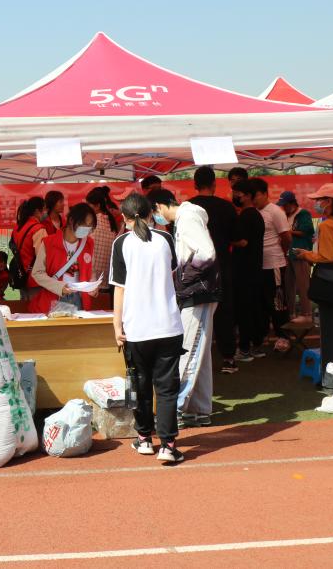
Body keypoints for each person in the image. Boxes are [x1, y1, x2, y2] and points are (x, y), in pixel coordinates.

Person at [110, 193, 185, 464]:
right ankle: (168, 445)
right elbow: (173, 273)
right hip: (167, 325)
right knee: (166, 389)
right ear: (151, 213)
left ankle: (143, 438)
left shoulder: (122, 243)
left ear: (124, 217)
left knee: (138, 386)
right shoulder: (165, 239)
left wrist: (116, 325)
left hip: (136, 329)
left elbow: (119, 288)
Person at [150, 189, 218, 427]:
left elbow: (207, 253)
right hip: (199, 292)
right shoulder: (186, 217)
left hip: (197, 293)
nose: (156, 219)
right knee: (199, 352)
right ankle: (198, 410)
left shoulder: (187, 217)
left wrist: (183, 278)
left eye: (154, 213)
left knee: (189, 351)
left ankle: (176, 409)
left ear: (159, 207)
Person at [293, 184, 333, 393]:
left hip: (331, 285)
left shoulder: (328, 225)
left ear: (329, 202)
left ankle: (329, 382)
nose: (317, 203)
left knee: (329, 335)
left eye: (319, 200)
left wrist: (306, 254)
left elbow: (327, 256)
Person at [187, 166, 238, 374]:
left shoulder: (188, 207)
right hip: (222, 265)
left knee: (196, 313)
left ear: (195, 185)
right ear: (214, 184)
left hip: (196, 268)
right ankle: (228, 358)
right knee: (224, 311)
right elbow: (237, 238)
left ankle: (196, 361)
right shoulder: (226, 207)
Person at [30, 203, 97, 314]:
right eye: (84, 224)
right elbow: (37, 273)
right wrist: (59, 287)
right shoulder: (49, 243)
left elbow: (92, 270)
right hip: (55, 297)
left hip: (80, 298)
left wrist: (93, 284)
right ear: (71, 221)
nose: (87, 229)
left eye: (90, 226)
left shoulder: (89, 243)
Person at [250, 178, 292, 352]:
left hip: (274, 263)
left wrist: (282, 254)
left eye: (256, 196)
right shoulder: (253, 212)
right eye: (251, 196)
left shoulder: (275, 211)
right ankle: (263, 335)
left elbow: (286, 237)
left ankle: (283, 336)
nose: (253, 200)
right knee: (262, 302)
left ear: (265, 194)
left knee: (278, 301)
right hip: (258, 265)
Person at [231, 180, 265, 368]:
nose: (236, 197)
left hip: (244, 269)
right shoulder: (256, 215)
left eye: (238, 193)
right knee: (254, 308)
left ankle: (244, 348)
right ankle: (256, 346)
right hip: (254, 268)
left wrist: (225, 238)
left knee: (244, 309)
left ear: (248, 196)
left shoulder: (246, 216)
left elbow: (243, 242)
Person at [278, 191, 315, 325]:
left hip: (301, 254)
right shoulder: (286, 216)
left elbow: (307, 231)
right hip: (289, 254)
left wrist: (288, 232)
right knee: (289, 285)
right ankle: (291, 313)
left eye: (286, 205)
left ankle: (307, 314)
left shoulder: (303, 214)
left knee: (303, 285)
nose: (284, 207)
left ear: (292, 203)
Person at [86, 185, 120, 300]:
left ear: (97, 206)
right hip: (107, 275)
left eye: (89, 205)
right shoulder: (110, 221)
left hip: (93, 276)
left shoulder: (93, 221)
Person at [10, 196, 46, 303]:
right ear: (37, 211)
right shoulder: (38, 229)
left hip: (21, 275)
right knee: (37, 309)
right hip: (35, 279)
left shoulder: (17, 227)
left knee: (24, 308)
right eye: (44, 209)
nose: (45, 213)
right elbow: (43, 257)